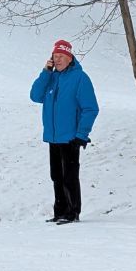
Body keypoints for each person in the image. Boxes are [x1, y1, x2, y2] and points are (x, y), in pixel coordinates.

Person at [30, 39, 98, 224]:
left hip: (71, 138)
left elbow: (90, 108)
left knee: (69, 176)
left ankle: (72, 213)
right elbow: (35, 96)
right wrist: (46, 72)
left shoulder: (80, 78)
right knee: (56, 176)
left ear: (69, 58)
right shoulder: (51, 77)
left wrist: (81, 134)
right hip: (53, 137)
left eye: (61, 56)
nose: (58, 59)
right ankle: (60, 211)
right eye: (55, 56)